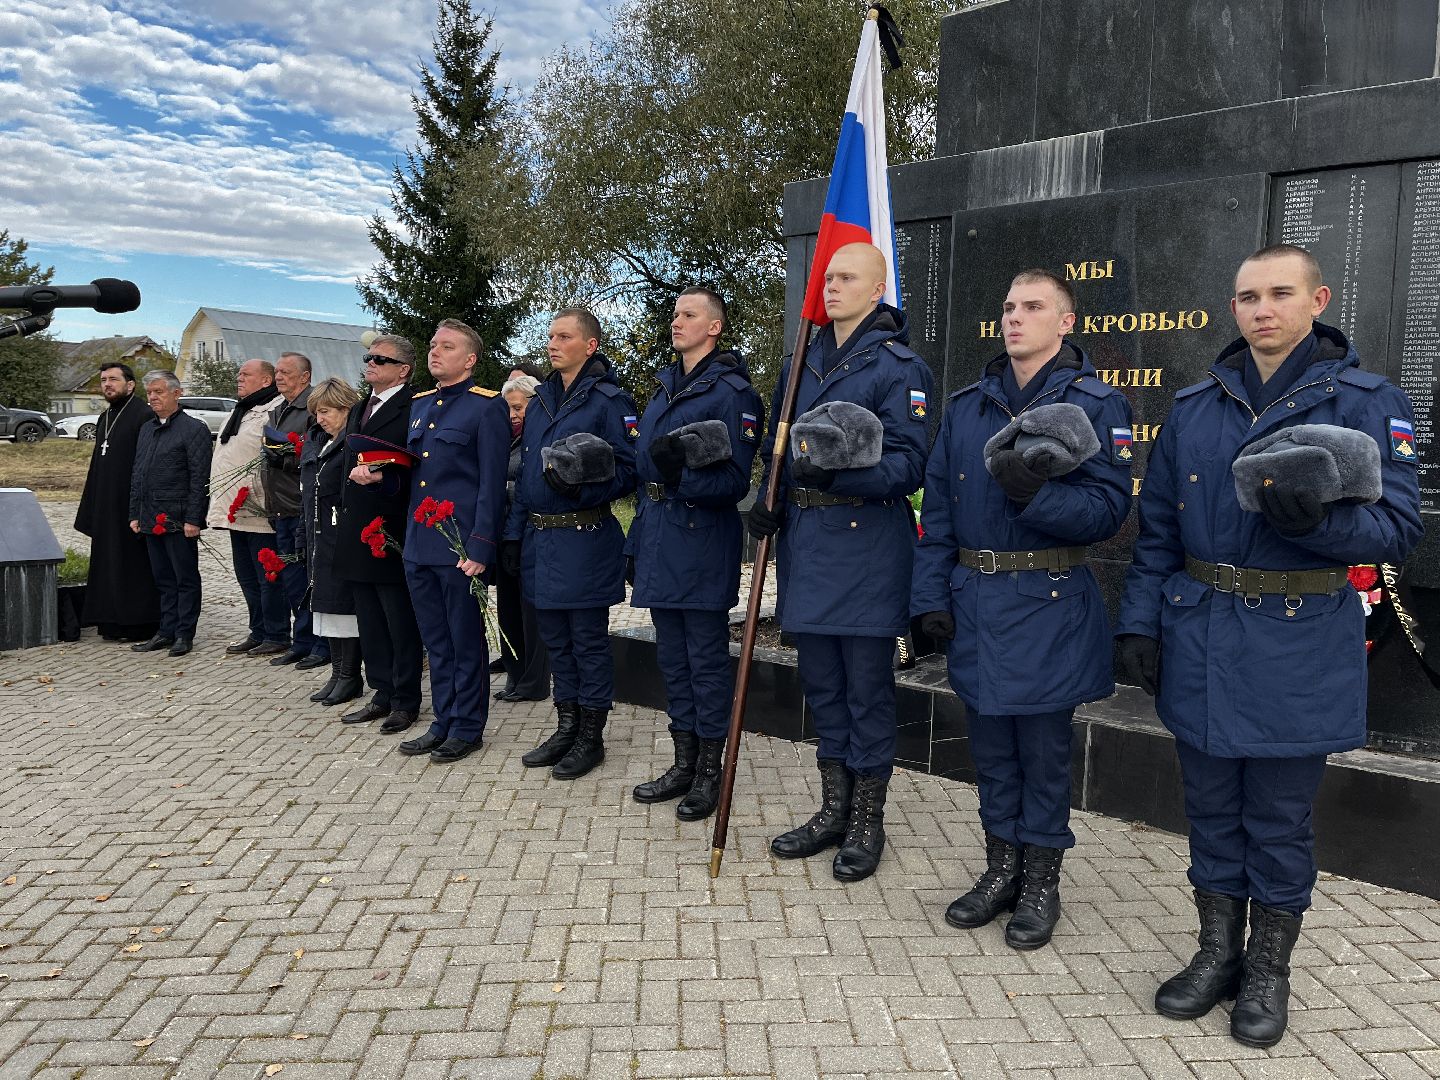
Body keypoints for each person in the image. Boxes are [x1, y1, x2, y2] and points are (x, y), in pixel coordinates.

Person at [1117, 244, 1422, 1047]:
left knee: (1278, 820)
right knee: (1212, 811)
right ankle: (1217, 953)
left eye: (1280, 293)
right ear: (1234, 308)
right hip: (1201, 633)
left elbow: (1398, 527)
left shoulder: (1366, 401)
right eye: (1249, 296)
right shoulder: (1195, 406)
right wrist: (1140, 624)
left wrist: (1320, 526)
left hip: (1298, 640)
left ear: (1317, 300)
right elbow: (1158, 532)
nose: (1263, 309)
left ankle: (1267, 970)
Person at [911, 269, 1133, 949]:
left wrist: (1035, 496)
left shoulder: (1096, 404)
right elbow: (938, 512)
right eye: (1009, 306)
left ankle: (1041, 882)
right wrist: (928, 597)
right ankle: (1000, 870)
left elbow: (1108, 510)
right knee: (991, 753)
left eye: (1033, 307)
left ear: (1065, 322)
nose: (1015, 317)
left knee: (1042, 755)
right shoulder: (967, 405)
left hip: (1048, 602)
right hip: (976, 600)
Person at [747, 242, 932, 882]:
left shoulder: (898, 366)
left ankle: (866, 821)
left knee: (865, 691)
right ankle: (834, 808)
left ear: (877, 290)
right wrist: (766, 499)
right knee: (823, 686)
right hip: (807, 545)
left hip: (867, 547)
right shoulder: (801, 359)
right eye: (828, 276)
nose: (830, 286)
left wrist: (838, 476)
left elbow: (909, 463)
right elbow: (777, 448)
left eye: (846, 277)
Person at [626, 287, 762, 820]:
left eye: (689, 314)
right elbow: (643, 474)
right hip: (660, 535)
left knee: (704, 662)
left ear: (715, 327)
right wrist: (636, 542)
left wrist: (677, 474)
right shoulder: (665, 387)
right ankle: (683, 763)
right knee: (672, 659)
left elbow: (733, 483)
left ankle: (710, 772)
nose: (676, 321)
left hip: (701, 538)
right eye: (675, 314)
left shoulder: (732, 393)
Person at [500, 308, 639, 780]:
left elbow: (629, 470)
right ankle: (567, 726)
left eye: (564, 337)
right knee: (557, 642)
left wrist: (581, 488)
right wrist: (513, 536)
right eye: (551, 336)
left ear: (590, 345)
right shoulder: (540, 400)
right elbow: (526, 475)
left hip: (584, 538)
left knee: (587, 642)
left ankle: (590, 736)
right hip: (540, 539)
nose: (553, 344)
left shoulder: (608, 400)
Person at [397, 319, 510, 764]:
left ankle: (467, 726)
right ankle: (443, 720)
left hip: (459, 546)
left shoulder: (487, 408)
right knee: (436, 641)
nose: (435, 352)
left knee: (464, 641)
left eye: (447, 346)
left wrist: (480, 546)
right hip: (419, 544)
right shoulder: (420, 404)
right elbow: (414, 476)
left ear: (470, 359)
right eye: (432, 344)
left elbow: (491, 485)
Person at [335, 334, 426, 733]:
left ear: (403, 370)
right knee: (370, 620)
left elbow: (417, 467)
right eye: (368, 358)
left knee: (398, 620)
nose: (370, 363)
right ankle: (381, 692)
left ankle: (405, 700)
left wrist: (383, 480)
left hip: (392, 527)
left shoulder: (415, 406)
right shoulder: (360, 406)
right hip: (357, 526)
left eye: (380, 359)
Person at [206, 358, 289, 657]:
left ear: (266, 380)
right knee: (247, 576)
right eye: (239, 374)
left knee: (268, 576)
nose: (239, 378)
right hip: (235, 509)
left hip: (258, 509)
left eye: (246, 374)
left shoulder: (275, 410)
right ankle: (258, 631)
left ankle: (277, 633)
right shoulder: (240, 409)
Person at [73, 361, 160, 642]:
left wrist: (141, 506)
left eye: (113, 379)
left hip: (130, 505)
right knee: (108, 562)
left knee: (133, 563)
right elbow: (96, 465)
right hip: (106, 504)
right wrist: (91, 507)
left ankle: (139, 624)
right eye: (103, 380)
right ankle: (110, 622)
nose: (107, 385)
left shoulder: (144, 415)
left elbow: (147, 465)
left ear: (130, 385)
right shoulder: (105, 417)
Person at [128, 371, 212, 657]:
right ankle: (165, 631)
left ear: (177, 393)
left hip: (178, 517)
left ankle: (184, 633)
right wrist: (135, 513)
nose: (153, 397)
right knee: (163, 579)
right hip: (150, 516)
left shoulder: (193, 429)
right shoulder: (146, 429)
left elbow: (199, 477)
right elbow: (138, 473)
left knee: (184, 578)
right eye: (150, 392)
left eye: (159, 392)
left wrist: (193, 518)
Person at [299, 377, 365, 708]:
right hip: (319, 537)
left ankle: (350, 675)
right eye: (317, 413)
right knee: (326, 606)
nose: (320, 419)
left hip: (340, 538)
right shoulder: (322, 444)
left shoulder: (350, 445)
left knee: (342, 608)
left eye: (326, 411)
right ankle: (337, 672)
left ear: (345, 408)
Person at [263, 351, 326, 669]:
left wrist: (285, 458)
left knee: (308, 579)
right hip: (281, 507)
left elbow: (319, 454)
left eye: (286, 372)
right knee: (291, 580)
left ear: (305, 376)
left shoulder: (314, 408)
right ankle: (301, 641)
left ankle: (321, 644)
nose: (279, 377)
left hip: (301, 506)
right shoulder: (278, 410)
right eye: (277, 371)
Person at [493, 374, 551, 703]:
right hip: (504, 533)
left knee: (531, 612)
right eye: (509, 409)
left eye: (518, 407)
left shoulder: (540, 437)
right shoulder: (506, 439)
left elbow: (532, 485)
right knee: (508, 608)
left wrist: (501, 489)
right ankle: (514, 675)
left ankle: (533, 681)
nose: (513, 414)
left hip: (531, 532)